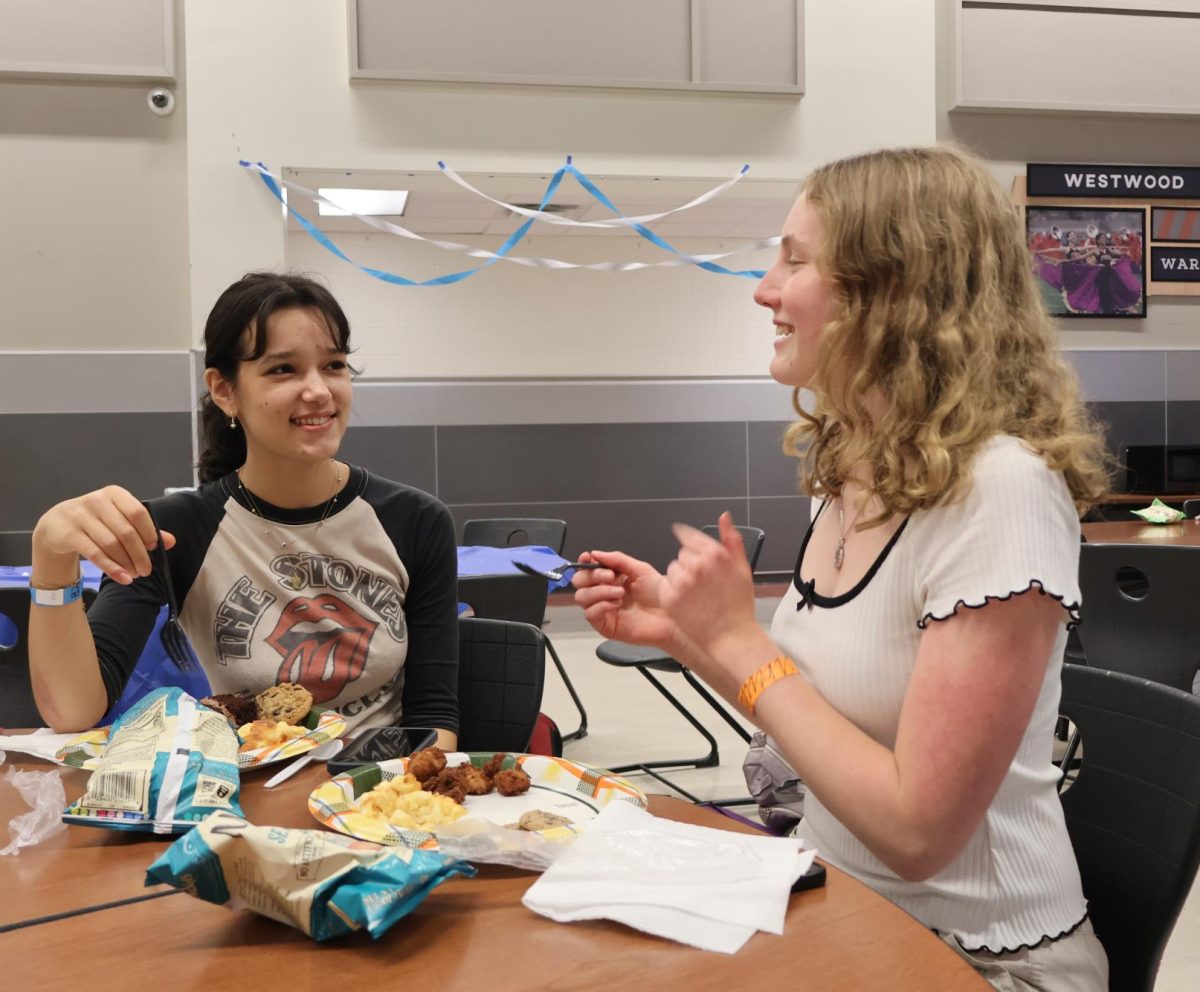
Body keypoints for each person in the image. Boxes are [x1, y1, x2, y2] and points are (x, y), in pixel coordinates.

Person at [573, 146, 1110, 990]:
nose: (765, 289)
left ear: (892, 291)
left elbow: (917, 832)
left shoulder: (1002, 490)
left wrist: (743, 645)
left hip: (976, 961)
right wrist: (689, 638)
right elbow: (818, 713)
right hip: (850, 917)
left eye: (796, 259)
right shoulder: (859, 470)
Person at [29, 272, 459, 746]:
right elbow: (73, 711)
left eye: (333, 365)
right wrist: (51, 558)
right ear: (224, 390)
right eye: (283, 370)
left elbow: (434, 720)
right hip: (237, 802)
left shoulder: (416, 520)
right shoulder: (174, 530)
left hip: (376, 796)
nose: (318, 391)